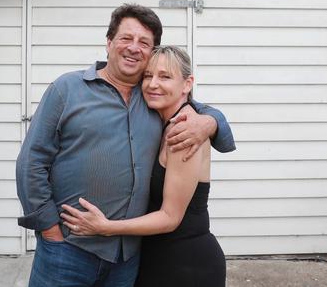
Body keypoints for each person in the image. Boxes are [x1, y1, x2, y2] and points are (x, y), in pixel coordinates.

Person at [16, 4, 235, 286]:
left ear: (151, 53)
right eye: (125, 38)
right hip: (69, 250)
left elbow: (202, 110)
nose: (134, 48)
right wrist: (50, 231)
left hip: (127, 260)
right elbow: (31, 163)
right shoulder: (67, 89)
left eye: (144, 43)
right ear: (109, 43)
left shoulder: (155, 100)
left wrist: (210, 122)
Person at [61, 46, 226, 286]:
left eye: (165, 76)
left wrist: (107, 227)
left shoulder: (185, 132)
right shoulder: (161, 122)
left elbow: (170, 217)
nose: (153, 84)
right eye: (148, 76)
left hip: (186, 263)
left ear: (187, 84)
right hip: (156, 256)